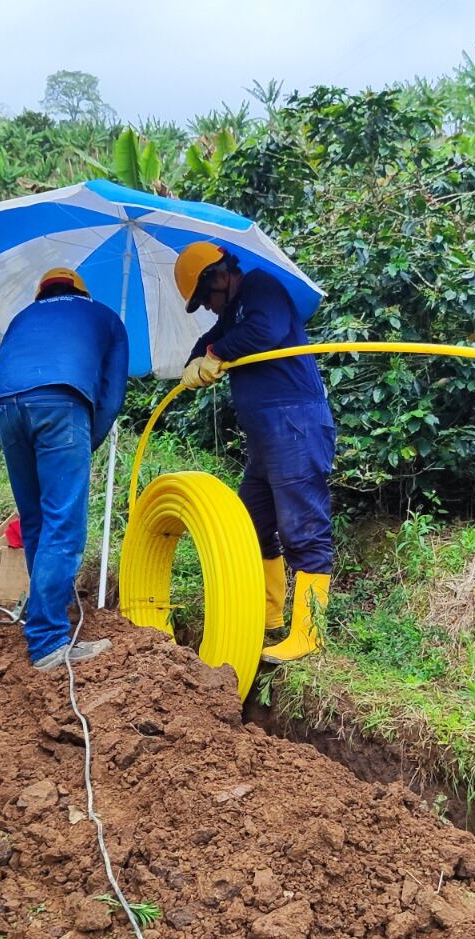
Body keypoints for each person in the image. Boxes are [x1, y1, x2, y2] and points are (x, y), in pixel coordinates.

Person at [175, 241, 335, 662]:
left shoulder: (261, 289)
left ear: (219, 277)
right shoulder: (231, 314)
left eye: (205, 298)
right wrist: (196, 360)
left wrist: (215, 354)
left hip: (295, 423)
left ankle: (308, 635)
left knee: (302, 527)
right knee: (251, 524)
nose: (208, 308)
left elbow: (265, 331)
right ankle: (270, 618)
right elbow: (208, 341)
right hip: (266, 436)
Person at [0, 267, 128, 670]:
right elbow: (111, 396)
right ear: (82, 293)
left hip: (5, 406)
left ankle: (45, 613)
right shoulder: (105, 317)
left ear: (41, 295)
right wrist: (85, 443)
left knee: (35, 519)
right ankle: (49, 641)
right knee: (63, 525)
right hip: (61, 403)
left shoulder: (23, 317)